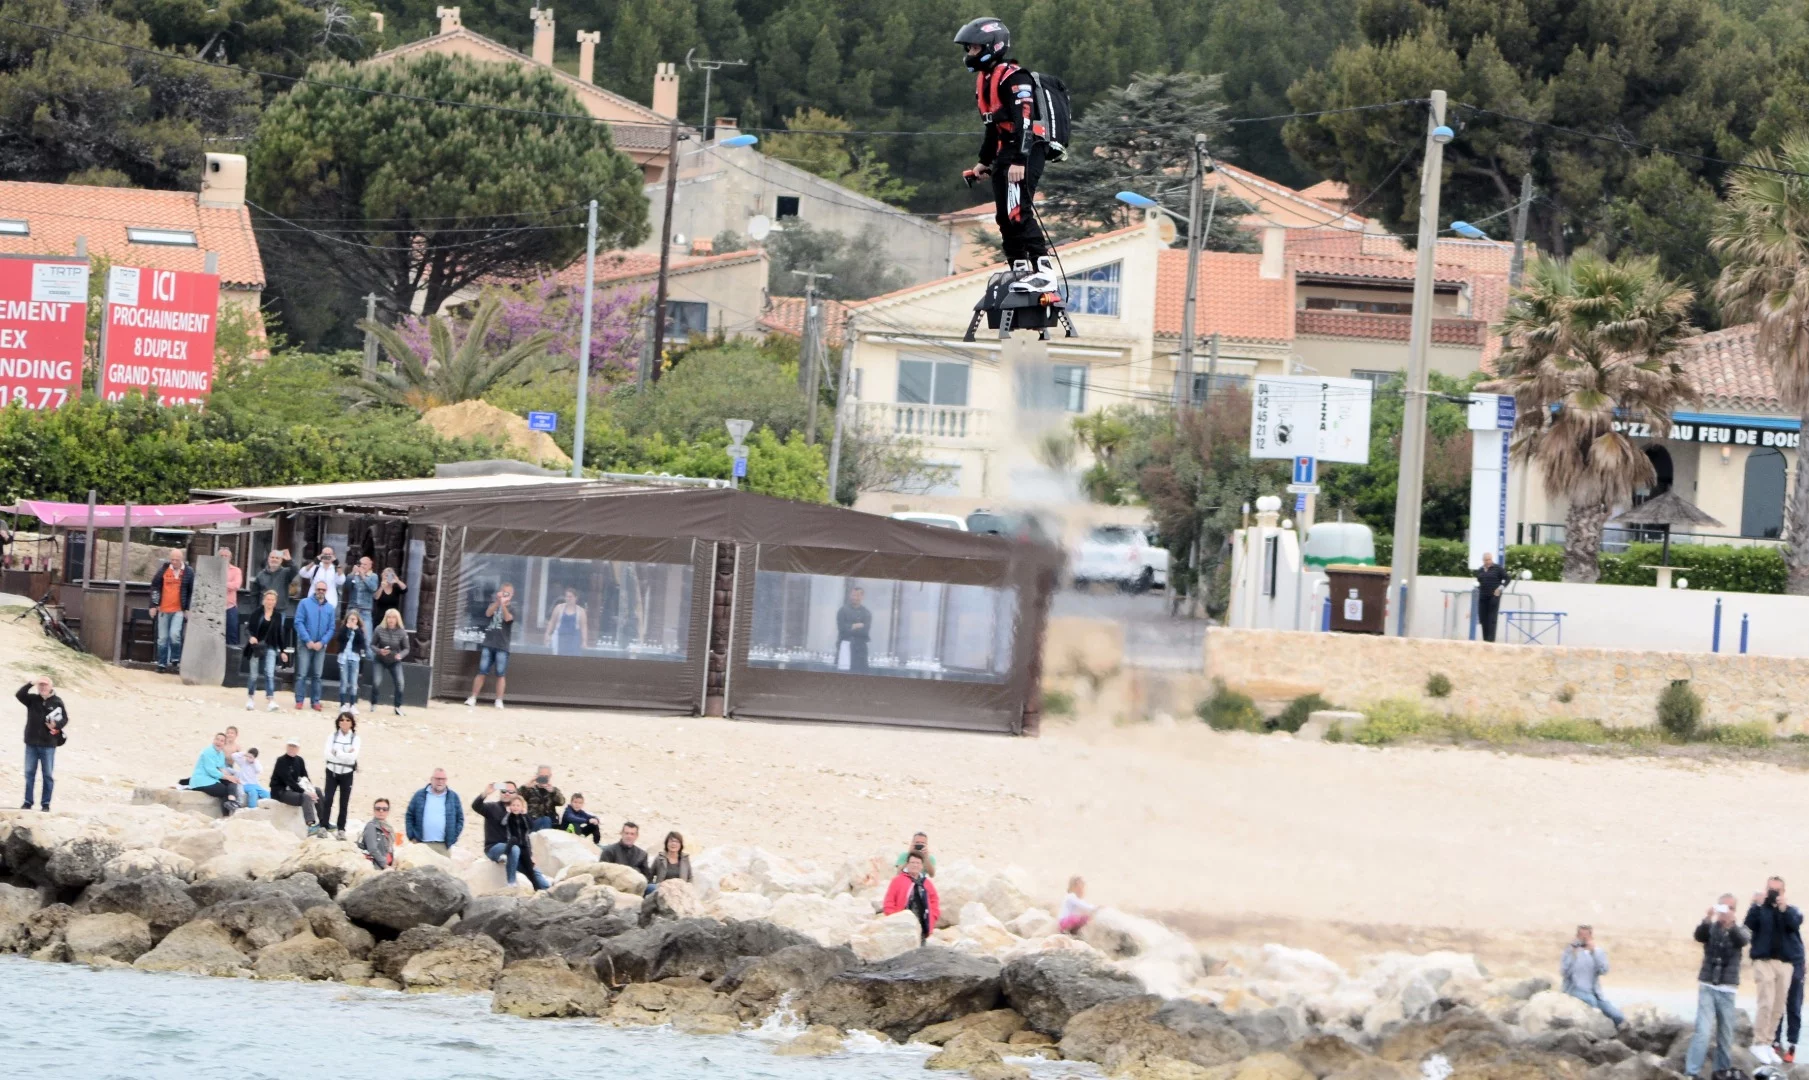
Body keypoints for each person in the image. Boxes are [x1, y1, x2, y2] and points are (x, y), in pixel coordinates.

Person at [955, 17, 1055, 293]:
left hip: (1027, 149)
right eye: (969, 49)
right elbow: (992, 126)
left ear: (991, 46)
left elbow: (1023, 120)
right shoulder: (985, 79)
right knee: (1003, 217)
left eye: (974, 48)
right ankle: (1020, 270)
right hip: (1006, 150)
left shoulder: (1015, 78)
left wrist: (1020, 160)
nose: (969, 54)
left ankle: (1044, 272)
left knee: (1017, 211)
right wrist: (983, 162)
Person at [1686, 895, 1753, 1078]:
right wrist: (1707, 918)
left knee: (1726, 1035)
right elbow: (1699, 936)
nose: (1726, 911)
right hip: (1708, 985)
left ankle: (1721, 1072)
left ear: (1735, 910)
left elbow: (1742, 941)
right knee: (1703, 1031)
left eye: (1730, 908)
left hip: (1727, 989)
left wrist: (1730, 925)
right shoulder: (1711, 927)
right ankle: (1692, 1072)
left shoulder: (1741, 930)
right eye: (1723, 907)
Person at [1750, 878, 1804, 1062]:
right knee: (1766, 1000)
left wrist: (1783, 908)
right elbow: (1749, 925)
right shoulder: (1759, 909)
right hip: (1763, 960)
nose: (1773, 894)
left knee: (1779, 1005)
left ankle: (1768, 1042)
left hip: (1786, 963)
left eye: (1777, 891)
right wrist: (1755, 905)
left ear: (1783, 892)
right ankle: (1759, 1042)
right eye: (1770, 890)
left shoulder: (1791, 910)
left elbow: (1795, 924)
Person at [474, 784, 549, 890]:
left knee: (534, 872)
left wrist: (530, 854)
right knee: (514, 848)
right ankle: (511, 884)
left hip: (516, 853)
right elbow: (476, 806)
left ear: (516, 794)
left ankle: (547, 891)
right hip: (495, 848)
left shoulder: (519, 812)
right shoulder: (492, 807)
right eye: (504, 791)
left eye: (511, 792)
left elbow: (525, 835)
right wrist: (485, 793)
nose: (507, 793)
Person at [18, 675, 67, 812]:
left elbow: (65, 719)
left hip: (48, 745)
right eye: (41, 685)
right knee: (29, 773)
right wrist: (31, 683)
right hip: (31, 743)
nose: (43, 687)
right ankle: (28, 802)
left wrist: (56, 726)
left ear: (51, 687)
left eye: (45, 685)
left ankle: (45, 804)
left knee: (47, 775)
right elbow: (19, 694)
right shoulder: (32, 700)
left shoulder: (57, 701)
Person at [1560, 924, 1625, 1027]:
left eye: (1586, 936)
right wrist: (1573, 955)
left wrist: (1593, 953)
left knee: (1618, 1016)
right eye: (1581, 936)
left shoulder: (1598, 952)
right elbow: (1564, 972)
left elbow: (1604, 970)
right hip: (1574, 990)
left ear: (1591, 937)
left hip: (1595, 993)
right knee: (1592, 1003)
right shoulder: (1569, 952)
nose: (1583, 939)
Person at [466, 583, 515, 709]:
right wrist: (498, 602)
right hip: (489, 643)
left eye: (507, 593)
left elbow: (508, 618)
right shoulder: (494, 604)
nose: (504, 594)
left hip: (502, 645)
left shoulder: (513, 608)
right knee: (482, 670)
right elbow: (488, 613)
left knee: (500, 673)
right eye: (503, 592)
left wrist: (504, 605)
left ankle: (499, 700)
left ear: (511, 595)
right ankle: (473, 697)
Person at [292, 579, 336, 711]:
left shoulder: (330, 608)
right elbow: (298, 622)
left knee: (317, 675)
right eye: (318, 589)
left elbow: (332, 628)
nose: (320, 592)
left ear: (326, 591)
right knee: (302, 674)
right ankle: (299, 700)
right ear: (314, 590)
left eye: (323, 590)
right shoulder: (304, 603)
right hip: (306, 644)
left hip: (320, 646)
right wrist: (308, 640)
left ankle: (315, 701)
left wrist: (322, 642)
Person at [244, 589, 289, 712]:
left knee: (269, 673)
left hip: (270, 646)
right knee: (253, 675)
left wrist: (283, 650)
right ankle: (251, 698)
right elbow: (247, 629)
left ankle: (270, 699)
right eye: (268, 599)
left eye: (272, 600)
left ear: (275, 602)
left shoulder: (278, 616)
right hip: (256, 647)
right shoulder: (256, 613)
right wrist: (251, 637)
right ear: (264, 601)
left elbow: (280, 634)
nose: (270, 602)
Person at [150, 547, 194, 673]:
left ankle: (175, 658)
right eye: (172, 559)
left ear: (181, 560)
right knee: (162, 638)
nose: (174, 562)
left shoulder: (188, 572)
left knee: (175, 635)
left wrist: (188, 608)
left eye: (176, 560)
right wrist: (153, 604)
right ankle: (162, 663)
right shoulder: (164, 569)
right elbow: (155, 586)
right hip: (164, 608)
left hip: (178, 609)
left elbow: (191, 591)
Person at [269, 738, 324, 836]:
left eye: (294, 746)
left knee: (318, 791)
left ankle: (324, 821)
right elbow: (288, 781)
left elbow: (305, 777)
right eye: (290, 746)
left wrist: (311, 790)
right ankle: (310, 826)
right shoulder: (281, 761)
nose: (292, 748)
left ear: (298, 748)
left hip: (295, 789)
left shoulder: (299, 760)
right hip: (281, 791)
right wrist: (305, 792)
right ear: (286, 747)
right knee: (306, 797)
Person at [404, 768, 463, 856]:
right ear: (431, 779)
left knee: (443, 869)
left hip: (443, 846)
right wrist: (411, 836)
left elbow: (460, 819)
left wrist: (453, 837)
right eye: (437, 779)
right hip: (422, 844)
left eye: (443, 779)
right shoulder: (419, 795)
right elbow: (409, 815)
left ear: (446, 780)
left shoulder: (453, 797)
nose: (440, 781)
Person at [321, 711, 361, 839]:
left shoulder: (355, 738)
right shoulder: (332, 737)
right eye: (342, 720)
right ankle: (323, 825)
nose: (344, 722)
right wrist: (345, 754)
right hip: (332, 771)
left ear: (352, 723)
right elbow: (327, 754)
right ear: (338, 722)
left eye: (348, 720)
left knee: (344, 802)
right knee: (328, 799)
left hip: (347, 773)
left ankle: (341, 829)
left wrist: (337, 753)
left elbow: (353, 758)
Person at [884, 851, 940, 941]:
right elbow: (889, 900)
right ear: (907, 864)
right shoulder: (898, 881)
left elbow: (934, 900)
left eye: (918, 863)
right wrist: (893, 917)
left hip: (922, 924)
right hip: (902, 925)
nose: (915, 865)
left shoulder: (926, 883)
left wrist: (933, 917)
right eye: (912, 862)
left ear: (922, 866)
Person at [253, 548, 299, 646]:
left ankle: (271, 659)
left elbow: (295, 570)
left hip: (279, 612)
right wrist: (255, 611)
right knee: (260, 637)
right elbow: (254, 594)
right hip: (262, 612)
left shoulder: (286, 573)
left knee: (274, 639)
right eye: (272, 557)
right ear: (268, 559)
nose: (274, 559)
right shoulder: (260, 575)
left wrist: (289, 560)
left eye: (277, 558)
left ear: (281, 560)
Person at [188, 732, 241, 815]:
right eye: (217, 739)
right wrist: (227, 777)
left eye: (222, 741)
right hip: (202, 781)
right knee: (225, 791)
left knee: (232, 781)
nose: (219, 742)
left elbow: (222, 769)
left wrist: (232, 778)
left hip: (212, 779)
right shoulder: (208, 752)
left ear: (224, 744)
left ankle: (232, 801)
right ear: (213, 740)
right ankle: (226, 815)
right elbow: (211, 771)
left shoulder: (221, 754)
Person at [371, 609, 410, 716]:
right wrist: (379, 651)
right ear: (386, 618)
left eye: (393, 618)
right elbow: (372, 645)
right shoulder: (379, 629)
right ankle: (374, 703)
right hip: (380, 659)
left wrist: (400, 655)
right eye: (389, 617)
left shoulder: (402, 632)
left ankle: (398, 706)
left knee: (400, 683)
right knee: (376, 682)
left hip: (394, 660)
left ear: (397, 619)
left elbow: (406, 648)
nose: (391, 620)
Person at [346, 556, 381, 664]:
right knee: (349, 638)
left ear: (370, 565)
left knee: (368, 640)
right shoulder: (354, 575)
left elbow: (373, 588)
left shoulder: (373, 576)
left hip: (365, 611)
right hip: (353, 610)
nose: (362, 566)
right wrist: (352, 574)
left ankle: (370, 669)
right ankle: (348, 666)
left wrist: (362, 576)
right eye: (361, 564)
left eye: (365, 564)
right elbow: (347, 587)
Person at [333, 609, 368, 713]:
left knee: (353, 682)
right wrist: (346, 629)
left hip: (354, 658)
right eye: (350, 619)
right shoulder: (343, 628)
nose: (352, 621)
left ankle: (352, 704)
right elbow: (339, 639)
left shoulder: (359, 630)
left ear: (358, 620)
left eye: (354, 619)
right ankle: (343, 704)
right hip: (343, 657)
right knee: (344, 682)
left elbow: (361, 642)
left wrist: (356, 630)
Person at [837, 586, 872, 674]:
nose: (855, 598)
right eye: (853, 595)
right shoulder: (843, 610)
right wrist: (856, 625)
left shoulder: (866, 613)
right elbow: (842, 629)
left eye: (857, 595)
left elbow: (865, 631)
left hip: (860, 650)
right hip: (845, 648)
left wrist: (849, 627)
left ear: (862, 597)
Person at [298, 546, 345, 611]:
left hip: (330, 603)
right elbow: (302, 573)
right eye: (325, 554)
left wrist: (337, 564)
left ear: (333, 556)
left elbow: (341, 580)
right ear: (321, 555)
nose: (327, 556)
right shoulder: (316, 567)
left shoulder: (335, 569)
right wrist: (314, 562)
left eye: (329, 555)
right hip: (313, 602)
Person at [544, 587, 589, 655]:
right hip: (560, 638)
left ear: (575, 598)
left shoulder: (581, 611)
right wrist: (547, 634)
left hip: (574, 640)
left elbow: (583, 628)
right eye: (567, 596)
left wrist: (584, 641)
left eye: (570, 597)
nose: (568, 598)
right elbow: (552, 622)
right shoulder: (558, 608)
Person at [1475, 551, 1508, 643]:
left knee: (1491, 618)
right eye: (1486, 560)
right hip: (1483, 597)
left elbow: (1507, 578)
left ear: (1491, 559)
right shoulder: (1480, 570)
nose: (1488, 561)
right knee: (1483, 618)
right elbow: (1479, 582)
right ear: (1483, 560)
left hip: (1494, 596)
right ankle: (1485, 640)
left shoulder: (1498, 568)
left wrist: (1500, 589)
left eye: (1489, 559)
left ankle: (1491, 640)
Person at [520, 765, 565, 831]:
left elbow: (561, 802)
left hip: (550, 823)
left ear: (550, 776)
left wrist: (553, 791)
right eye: (541, 776)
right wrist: (526, 785)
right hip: (533, 821)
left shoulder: (553, 790)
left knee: (546, 820)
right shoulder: (530, 789)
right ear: (537, 775)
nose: (543, 778)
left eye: (546, 776)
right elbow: (515, 797)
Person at [646, 831, 692, 895]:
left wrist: (687, 889)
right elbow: (649, 875)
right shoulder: (660, 858)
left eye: (677, 842)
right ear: (666, 843)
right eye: (671, 841)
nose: (673, 844)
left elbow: (690, 878)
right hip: (662, 891)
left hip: (679, 891)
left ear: (680, 845)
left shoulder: (685, 859)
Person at [359, 798, 396, 870]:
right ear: (374, 810)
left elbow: (390, 848)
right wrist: (385, 865)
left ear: (388, 811)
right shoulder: (371, 826)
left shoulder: (388, 828)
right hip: (376, 868)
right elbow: (372, 849)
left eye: (384, 809)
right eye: (378, 809)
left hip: (388, 865)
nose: (381, 811)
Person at [220, 546, 244, 647]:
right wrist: (228, 584)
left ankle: (231, 661)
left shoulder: (236, 570)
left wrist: (221, 583)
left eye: (226, 556)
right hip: (215, 608)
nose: (224, 557)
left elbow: (236, 585)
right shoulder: (212, 569)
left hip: (230, 607)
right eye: (221, 556)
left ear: (230, 558)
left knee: (231, 635)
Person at [372, 565, 408, 630]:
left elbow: (405, 589)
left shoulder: (395, 587)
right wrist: (382, 587)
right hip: (380, 617)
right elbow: (375, 598)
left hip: (392, 618)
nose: (387, 577)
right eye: (385, 575)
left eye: (389, 576)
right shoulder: (378, 586)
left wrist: (398, 581)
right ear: (382, 576)